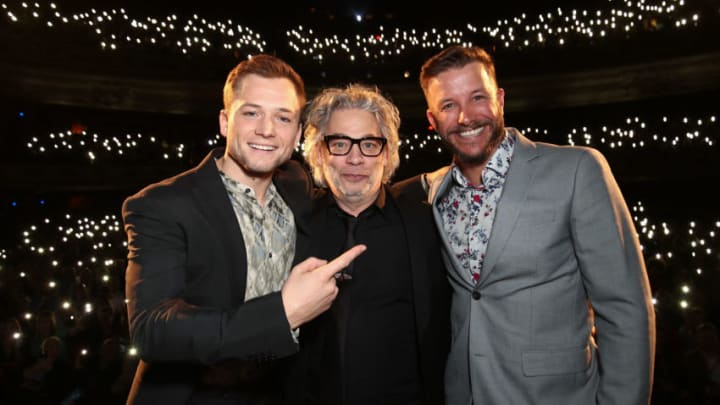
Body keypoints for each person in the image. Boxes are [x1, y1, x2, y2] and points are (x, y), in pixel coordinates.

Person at [396, 45, 656, 404]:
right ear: (431, 119)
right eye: (448, 105)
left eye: (477, 98)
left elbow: (625, 308)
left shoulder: (578, 170)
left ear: (500, 99)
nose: (466, 117)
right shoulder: (436, 191)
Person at [122, 54, 365, 404]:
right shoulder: (161, 204)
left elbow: (353, 187)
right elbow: (152, 330)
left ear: (297, 133)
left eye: (283, 118)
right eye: (251, 113)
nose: (267, 129)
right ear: (225, 121)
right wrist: (284, 312)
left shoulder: (296, 185)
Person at [294, 84, 450, 404]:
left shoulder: (427, 226)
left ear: (388, 153)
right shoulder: (294, 225)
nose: (355, 159)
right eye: (340, 143)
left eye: (369, 144)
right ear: (320, 152)